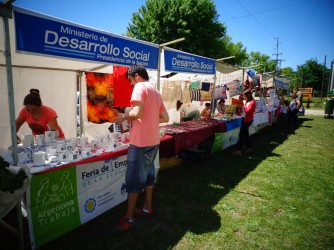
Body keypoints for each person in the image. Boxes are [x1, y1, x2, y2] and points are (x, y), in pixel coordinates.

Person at [114, 65, 169, 233]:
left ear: (136, 76)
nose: (131, 84)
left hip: (140, 143)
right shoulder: (155, 90)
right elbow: (165, 117)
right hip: (153, 141)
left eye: (130, 80)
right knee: (149, 176)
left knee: (134, 181)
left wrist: (123, 116)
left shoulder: (139, 87)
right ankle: (147, 208)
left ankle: (129, 218)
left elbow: (137, 113)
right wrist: (149, 117)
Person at [233, 90, 256, 156]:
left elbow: (248, 111)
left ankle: (238, 150)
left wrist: (243, 106)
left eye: (244, 96)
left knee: (241, 134)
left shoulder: (252, 102)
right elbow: (244, 111)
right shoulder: (247, 101)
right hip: (244, 119)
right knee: (245, 134)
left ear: (248, 96)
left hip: (247, 120)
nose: (244, 97)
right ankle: (249, 148)